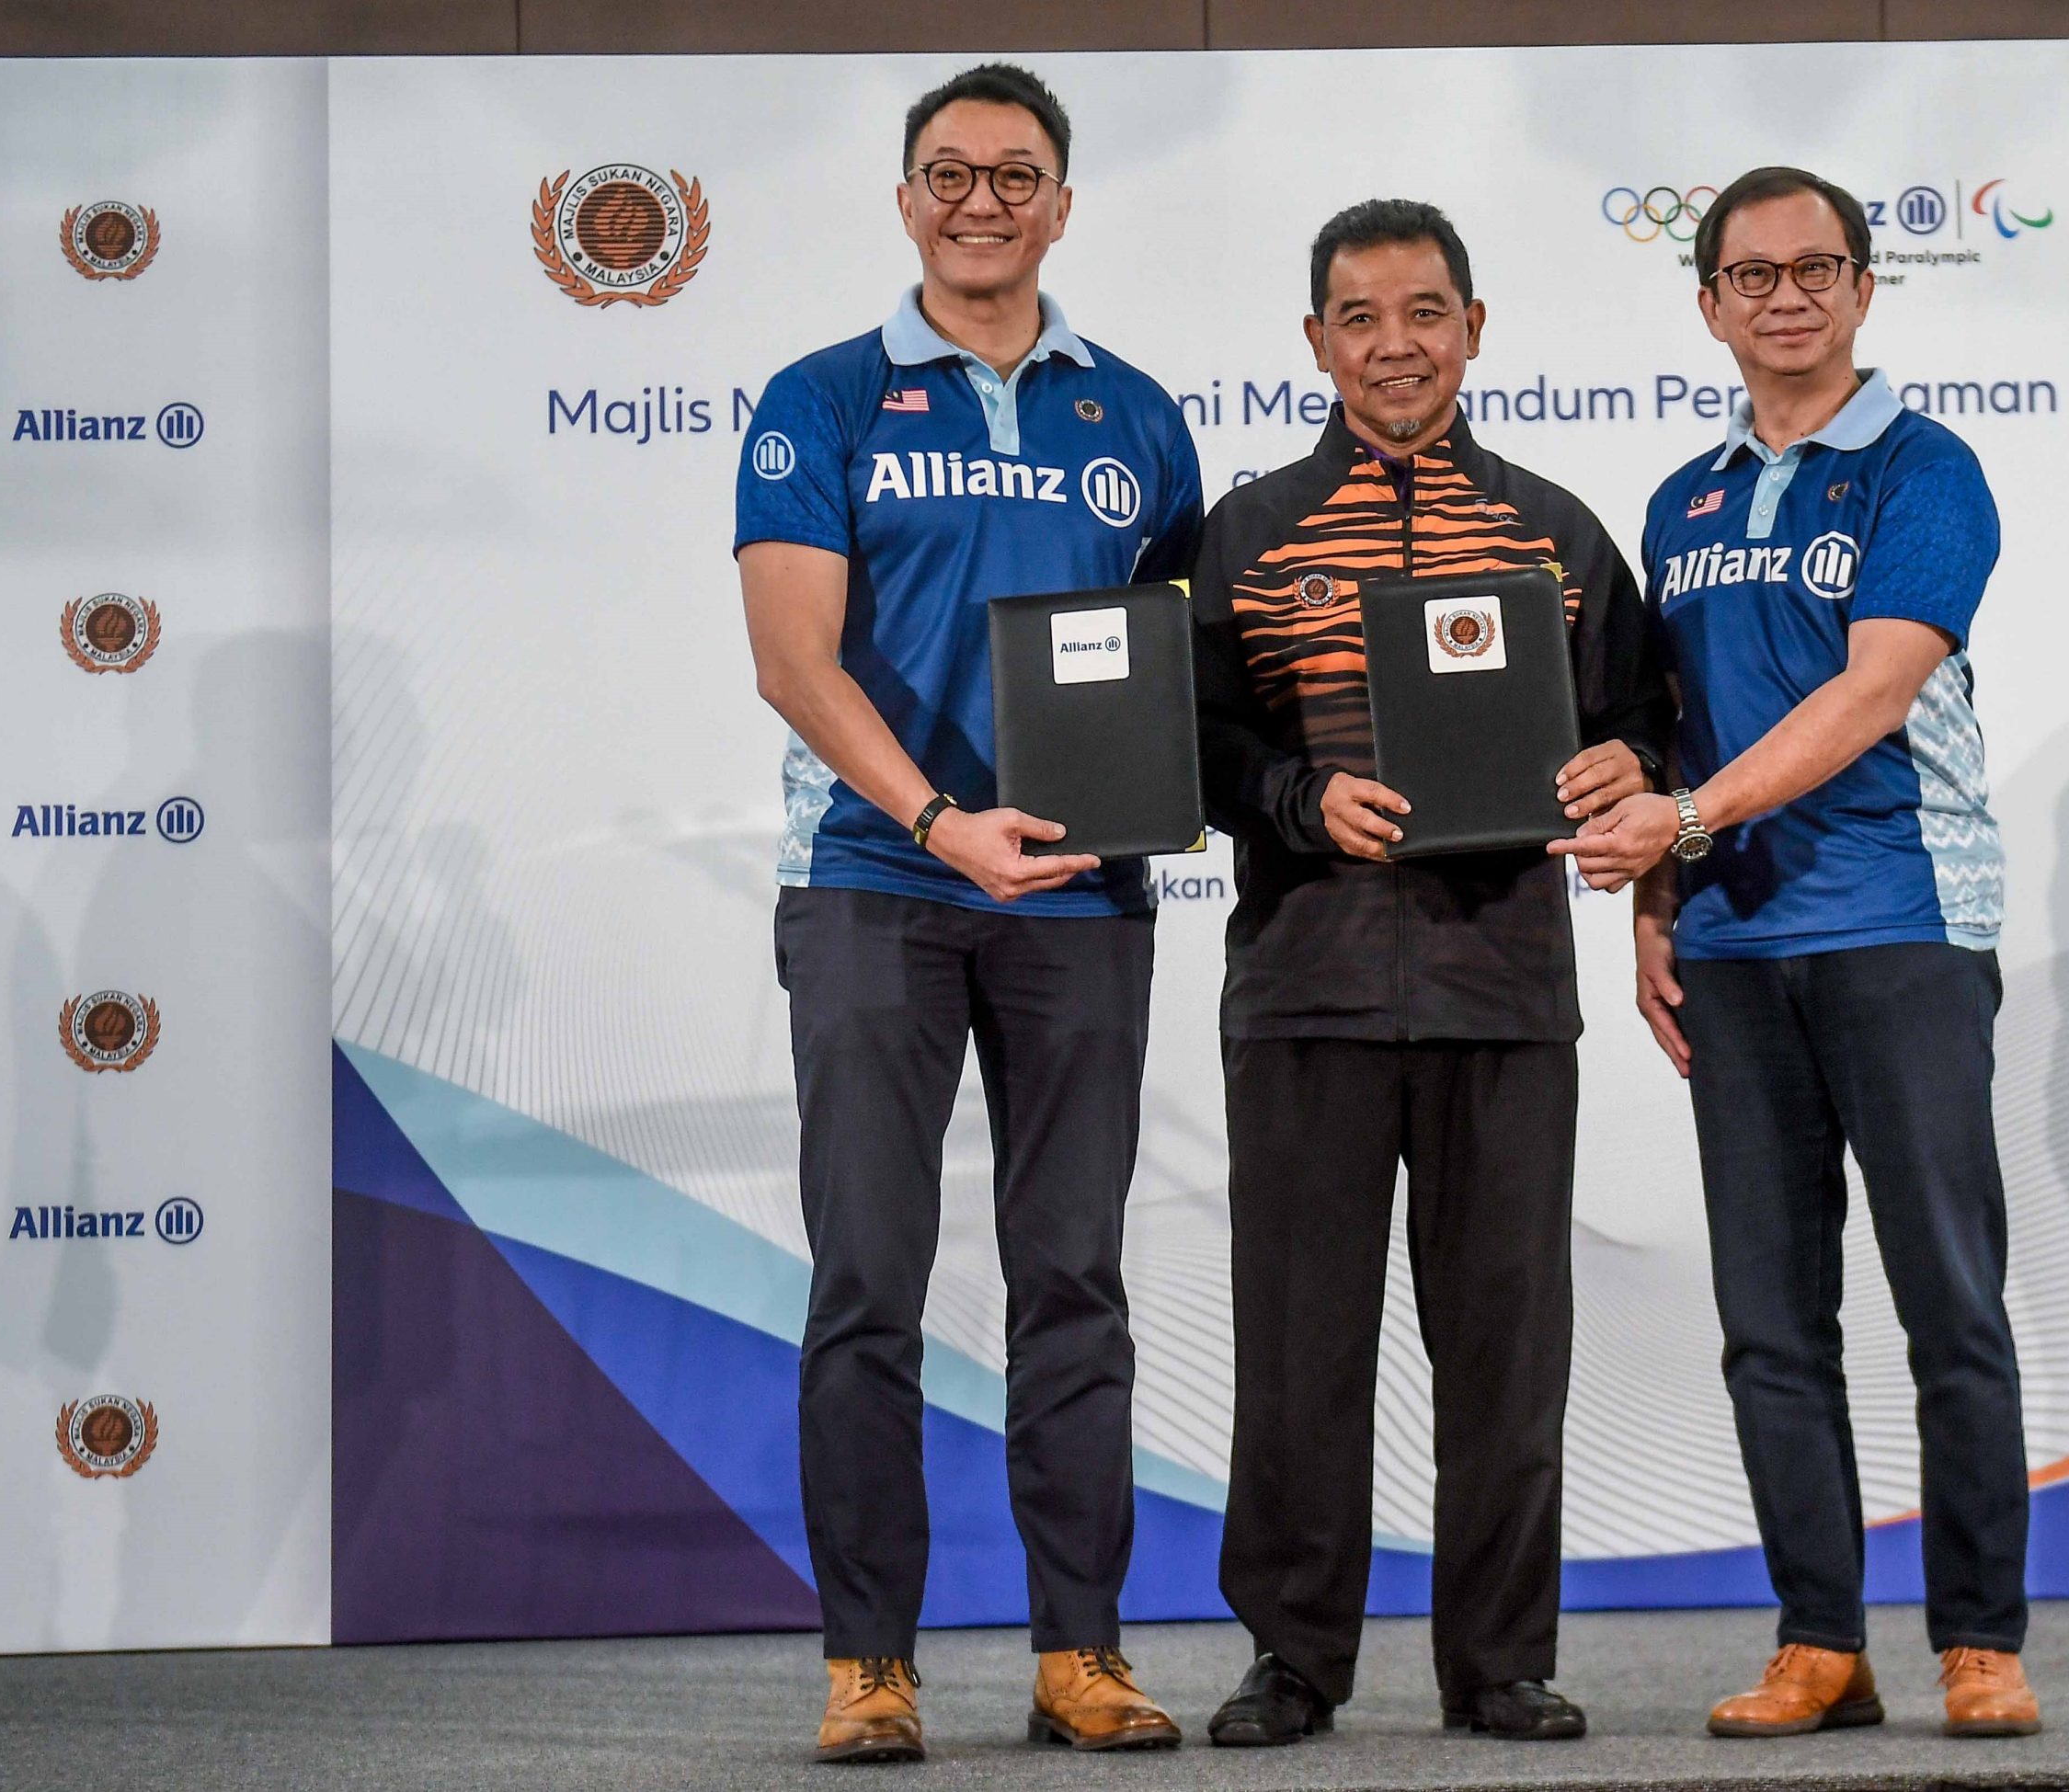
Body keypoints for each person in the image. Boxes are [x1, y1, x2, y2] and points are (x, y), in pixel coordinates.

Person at [731, 63, 1205, 1763]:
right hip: (875, 888)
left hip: (1081, 898)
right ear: (908, 197)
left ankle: (1083, 1651)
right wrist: (938, 818)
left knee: (1072, 1279)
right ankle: (871, 1663)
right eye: (950, 173)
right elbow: (794, 659)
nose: (982, 199)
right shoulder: (820, 397)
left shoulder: (1139, 415)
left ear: (1064, 203)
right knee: (869, 1276)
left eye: (1016, 175)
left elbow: (1170, 670)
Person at [1554, 166, 2042, 1741]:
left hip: (1900, 919)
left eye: (1816, 268)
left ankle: (1980, 1637)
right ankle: (1820, 1639)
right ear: (1708, 304)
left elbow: (1868, 696)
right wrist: (1654, 904)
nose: (1786, 296)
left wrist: (1680, 824)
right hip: (1736, 942)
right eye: (1753, 275)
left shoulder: (1924, 466)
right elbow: (1667, 727)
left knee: (1949, 1298)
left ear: (1862, 288)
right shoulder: (1680, 503)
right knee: (1772, 1316)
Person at [1188, 199, 1666, 1747]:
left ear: (1474, 326)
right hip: (1304, 991)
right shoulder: (1249, 531)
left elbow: (1647, 727)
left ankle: (1499, 1660)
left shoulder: (1560, 531)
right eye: (1360, 315)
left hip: (1506, 991)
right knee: (1299, 1343)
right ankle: (1293, 1655)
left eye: (1426, 312)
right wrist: (1293, 799)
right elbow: (1195, 739)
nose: (1395, 344)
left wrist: (1619, 769)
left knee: (1507, 1352)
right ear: (1317, 340)